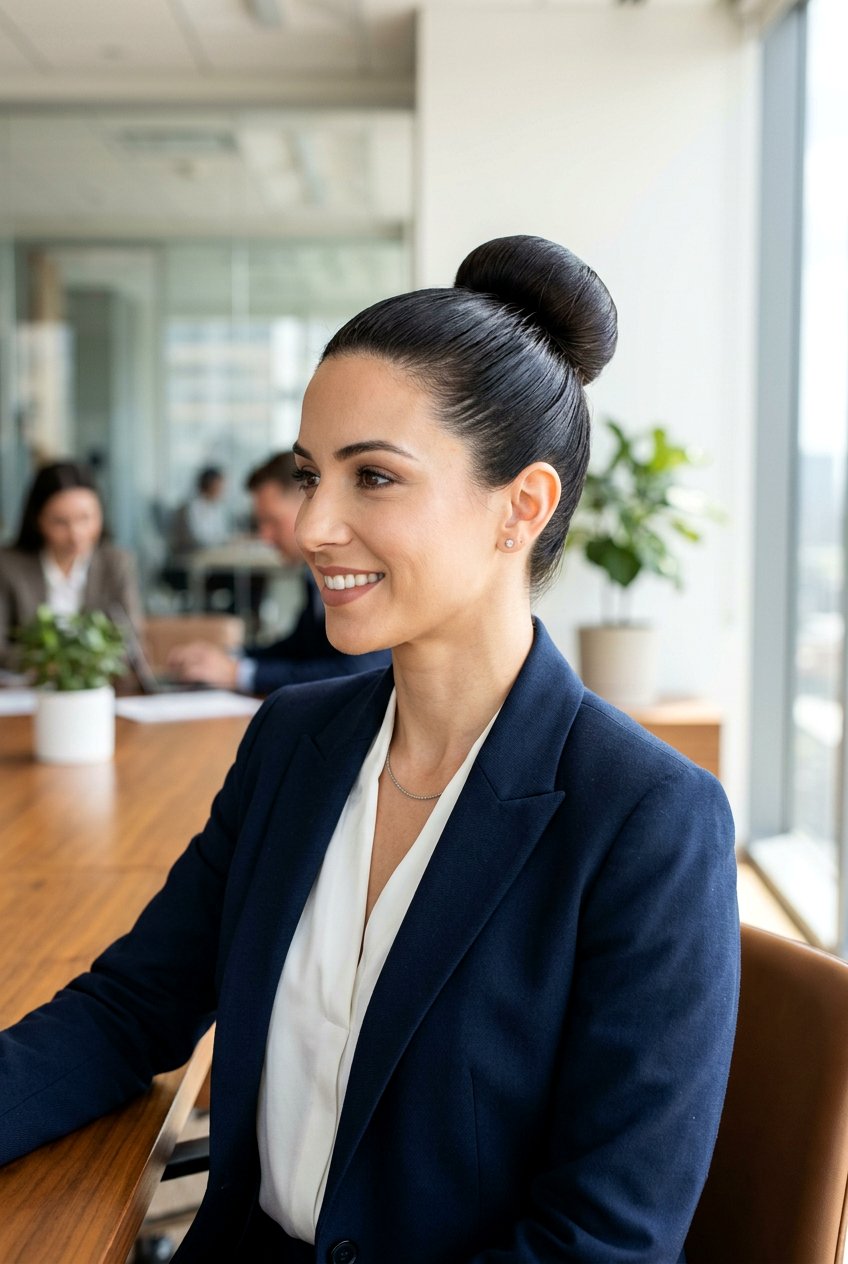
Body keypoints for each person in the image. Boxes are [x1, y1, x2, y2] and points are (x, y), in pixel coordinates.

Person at [0, 236, 739, 1263]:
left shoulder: (644, 819)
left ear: (520, 508)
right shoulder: (294, 742)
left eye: (373, 478)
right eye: (309, 475)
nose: (311, 524)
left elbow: (600, 1240)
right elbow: (131, 1009)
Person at [166, 452, 389, 694]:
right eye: (260, 523)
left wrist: (238, 673)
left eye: (272, 521)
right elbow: (298, 647)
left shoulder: (355, 574)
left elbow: (358, 671)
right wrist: (230, 657)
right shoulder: (313, 575)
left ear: (308, 503)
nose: (264, 536)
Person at [0, 459, 143, 671]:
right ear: (38, 520)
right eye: (60, 522)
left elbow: (128, 642)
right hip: (28, 690)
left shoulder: (116, 563)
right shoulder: (8, 566)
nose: (76, 534)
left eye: (85, 518)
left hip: (95, 690)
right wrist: (56, 664)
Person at [170, 466, 231, 553]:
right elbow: (197, 540)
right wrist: (224, 541)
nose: (222, 490)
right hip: (190, 555)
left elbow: (220, 534)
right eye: (219, 486)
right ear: (209, 485)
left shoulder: (215, 507)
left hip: (209, 552)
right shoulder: (191, 507)